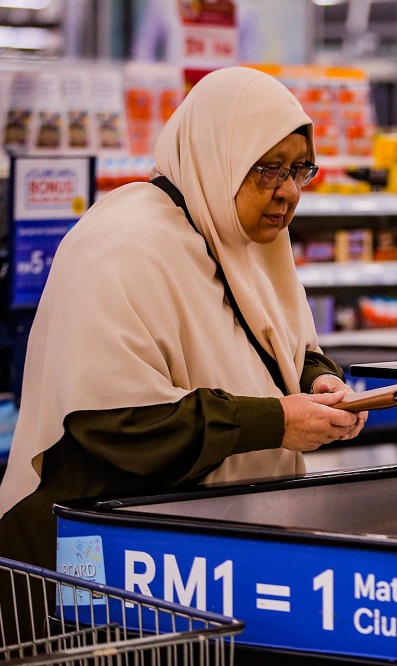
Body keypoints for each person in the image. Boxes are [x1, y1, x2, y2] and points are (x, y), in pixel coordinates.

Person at [0, 67, 368, 575]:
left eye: (300, 169)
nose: (288, 192)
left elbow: (285, 343)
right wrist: (277, 422)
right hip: (93, 556)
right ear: (218, 155)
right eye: (268, 168)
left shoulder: (245, 240)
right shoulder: (122, 247)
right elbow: (116, 425)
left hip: (199, 552)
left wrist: (319, 380)